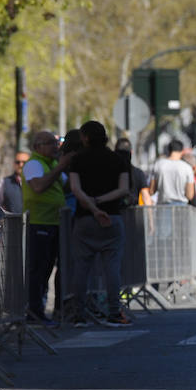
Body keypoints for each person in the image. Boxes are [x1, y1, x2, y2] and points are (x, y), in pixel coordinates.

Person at [67, 121, 131, 327]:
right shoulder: (118, 159)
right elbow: (123, 190)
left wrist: (92, 206)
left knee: (82, 268)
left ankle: (79, 315)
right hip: (112, 217)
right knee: (112, 267)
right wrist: (102, 202)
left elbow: (76, 189)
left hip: (85, 218)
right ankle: (114, 312)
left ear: (85, 138)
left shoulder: (77, 160)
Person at [22, 131, 75, 324]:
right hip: (39, 223)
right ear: (37, 146)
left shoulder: (52, 164)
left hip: (55, 222)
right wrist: (60, 166)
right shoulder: (34, 164)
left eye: (56, 143)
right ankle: (34, 312)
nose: (55, 147)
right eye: (50, 143)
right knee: (39, 270)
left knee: (50, 269)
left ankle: (51, 310)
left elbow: (67, 187)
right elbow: (38, 187)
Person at [149, 139, 194, 205]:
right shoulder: (187, 168)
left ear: (169, 150)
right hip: (181, 207)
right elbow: (190, 195)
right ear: (182, 151)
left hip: (162, 206)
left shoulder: (158, 165)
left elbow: (151, 191)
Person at [115, 138, 152, 207]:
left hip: (130, 214)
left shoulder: (138, 173)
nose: (124, 156)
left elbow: (146, 197)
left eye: (126, 153)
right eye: (121, 152)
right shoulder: (138, 173)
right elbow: (146, 198)